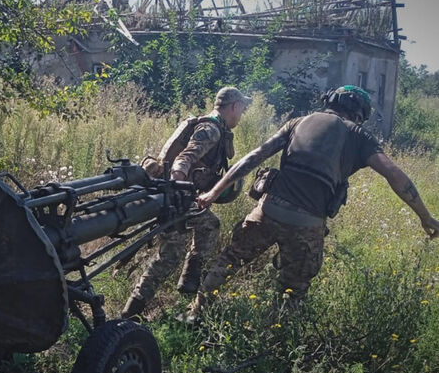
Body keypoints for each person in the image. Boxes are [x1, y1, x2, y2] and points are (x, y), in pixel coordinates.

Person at [178, 85, 439, 324]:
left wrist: (213, 192)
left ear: (330, 102)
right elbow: (394, 174)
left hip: (268, 211)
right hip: (307, 224)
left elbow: (254, 157)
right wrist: (425, 217)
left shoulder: (298, 122)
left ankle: (194, 313)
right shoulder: (359, 135)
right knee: (293, 289)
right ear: (359, 113)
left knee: (231, 258)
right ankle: (272, 339)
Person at [121, 87, 251, 319]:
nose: (242, 114)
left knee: (208, 226)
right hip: (175, 199)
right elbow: (185, 158)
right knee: (169, 257)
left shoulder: (214, 127)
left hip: (179, 197)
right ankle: (131, 313)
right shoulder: (211, 130)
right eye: (242, 109)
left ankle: (189, 280)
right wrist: (177, 189)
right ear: (234, 107)